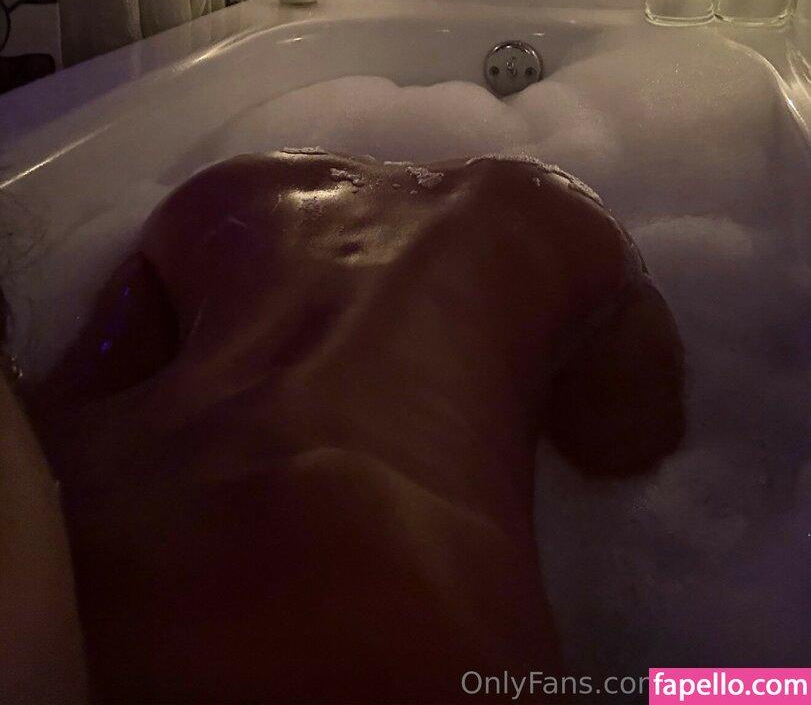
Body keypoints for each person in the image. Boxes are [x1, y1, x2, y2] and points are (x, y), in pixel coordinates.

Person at [8, 151, 684, 704]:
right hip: (389, 581)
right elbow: (623, 447)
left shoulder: (213, 198)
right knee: (732, 691)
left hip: (109, 535)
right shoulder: (571, 221)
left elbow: (67, 401)